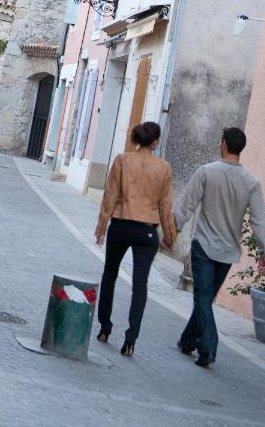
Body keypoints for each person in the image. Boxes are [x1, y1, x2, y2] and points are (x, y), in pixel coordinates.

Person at [173, 126, 265, 368]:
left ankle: (208, 348)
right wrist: (263, 252)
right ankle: (187, 341)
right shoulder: (251, 182)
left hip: (204, 245)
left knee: (202, 298)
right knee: (206, 298)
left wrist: (172, 230)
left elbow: (185, 205)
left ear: (224, 144)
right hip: (228, 251)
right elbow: (259, 220)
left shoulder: (206, 172)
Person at [94, 121, 176, 358]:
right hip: (147, 230)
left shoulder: (122, 160)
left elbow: (110, 197)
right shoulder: (164, 168)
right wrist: (169, 236)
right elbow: (166, 206)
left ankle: (104, 328)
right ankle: (130, 341)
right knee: (140, 285)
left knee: (110, 274)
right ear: (155, 141)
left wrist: (101, 228)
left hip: (121, 224)